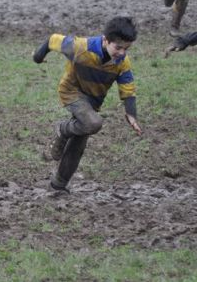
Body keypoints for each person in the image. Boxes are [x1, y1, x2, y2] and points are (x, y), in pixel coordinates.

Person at [33, 17, 143, 193]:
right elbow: (53, 39)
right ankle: (62, 129)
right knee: (93, 123)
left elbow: (128, 89)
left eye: (126, 49)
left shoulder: (122, 62)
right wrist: (38, 56)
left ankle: (58, 185)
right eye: (118, 47)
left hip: (92, 102)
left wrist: (131, 114)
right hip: (72, 93)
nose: (122, 52)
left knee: (79, 143)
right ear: (106, 40)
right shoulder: (81, 47)